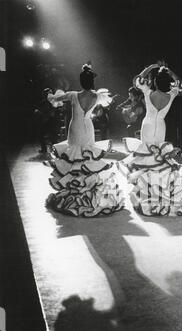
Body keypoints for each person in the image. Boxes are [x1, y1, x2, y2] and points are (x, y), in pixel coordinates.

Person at [119, 62, 182, 217]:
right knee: (159, 157)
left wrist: (151, 67)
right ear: (167, 83)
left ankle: (145, 191)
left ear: (155, 82)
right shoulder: (171, 94)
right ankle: (159, 190)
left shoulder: (148, 92)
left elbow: (137, 80)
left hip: (148, 125)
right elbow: (181, 84)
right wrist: (170, 71)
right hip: (161, 126)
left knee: (146, 156)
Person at [46, 63, 125, 217]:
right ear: (92, 82)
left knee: (74, 156)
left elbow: (55, 99)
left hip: (75, 127)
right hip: (88, 128)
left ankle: (74, 190)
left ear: (81, 81)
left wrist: (49, 93)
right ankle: (89, 190)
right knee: (87, 156)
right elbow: (108, 100)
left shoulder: (73, 95)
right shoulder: (96, 96)